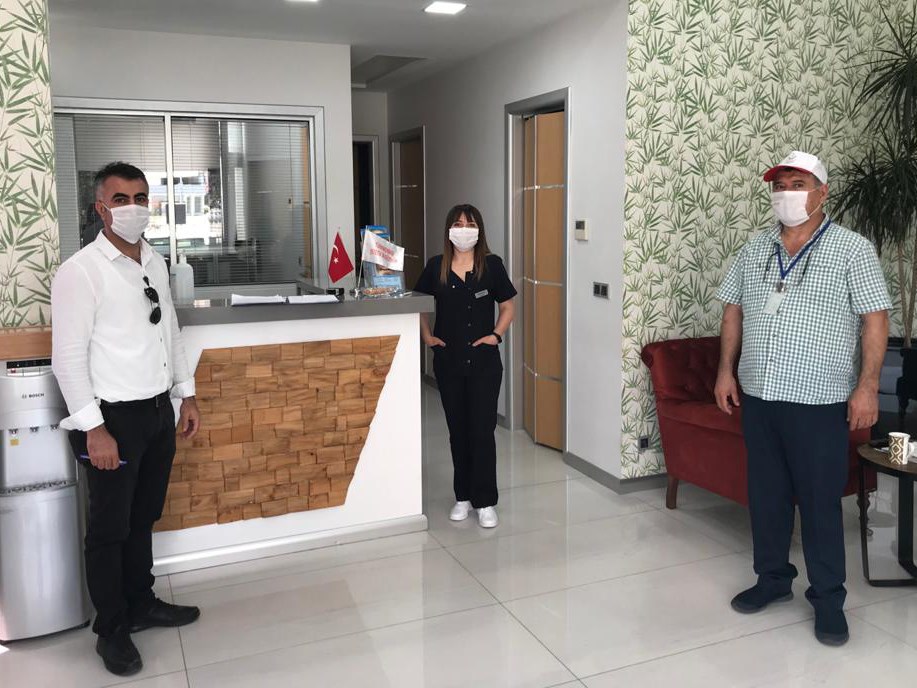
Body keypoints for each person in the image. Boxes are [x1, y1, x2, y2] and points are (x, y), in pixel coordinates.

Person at [714, 151, 891, 647]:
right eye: (780, 185)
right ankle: (772, 579)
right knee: (766, 496)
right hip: (759, 394)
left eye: (797, 184)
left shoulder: (852, 249)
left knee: (818, 502)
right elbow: (732, 311)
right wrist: (725, 371)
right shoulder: (755, 247)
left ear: (822, 193)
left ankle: (828, 599)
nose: (786, 193)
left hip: (818, 400)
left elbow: (875, 319)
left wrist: (867, 385)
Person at [51, 162, 203, 677]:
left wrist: (186, 395)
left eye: (140, 197)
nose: (133, 207)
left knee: (144, 516)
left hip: (158, 410)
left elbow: (170, 332)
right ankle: (111, 628)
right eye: (121, 199)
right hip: (112, 419)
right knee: (109, 528)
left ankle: (141, 602)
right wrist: (94, 429)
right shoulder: (81, 272)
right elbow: (67, 359)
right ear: (101, 208)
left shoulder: (153, 261)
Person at [414, 204, 517, 528]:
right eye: (458, 224)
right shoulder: (436, 266)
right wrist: (427, 336)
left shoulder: (492, 265)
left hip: (485, 364)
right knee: (458, 432)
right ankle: (463, 497)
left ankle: (485, 501)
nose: (463, 230)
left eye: (470, 224)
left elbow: (508, 306)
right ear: (449, 229)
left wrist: (496, 335)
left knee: (482, 432)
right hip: (449, 363)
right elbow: (419, 306)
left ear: (479, 230)